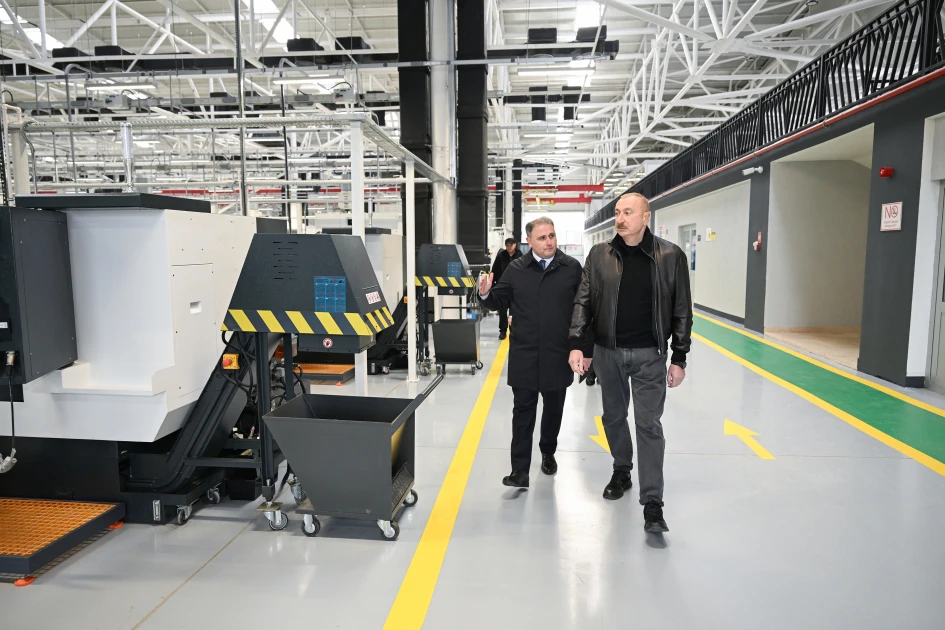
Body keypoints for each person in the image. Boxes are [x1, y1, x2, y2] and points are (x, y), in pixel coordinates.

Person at [569, 192, 692, 534]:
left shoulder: (670, 256)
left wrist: (679, 357)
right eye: (617, 212)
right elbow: (583, 302)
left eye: (628, 212)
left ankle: (653, 502)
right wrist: (578, 344)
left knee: (648, 424)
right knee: (613, 416)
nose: (620, 218)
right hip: (608, 352)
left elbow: (682, 309)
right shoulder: (599, 255)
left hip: (650, 355)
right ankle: (622, 469)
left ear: (646, 217)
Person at [479, 217, 589, 488]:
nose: (549, 242)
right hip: (525, 353)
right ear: (529, 241)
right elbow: (498, 300)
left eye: (552, 236)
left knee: (554, 409)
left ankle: (548, 452)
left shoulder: (571, 268)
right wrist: (485, 294)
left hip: (558, 352)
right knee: (523, 411)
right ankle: (519, 470)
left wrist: (584, 348)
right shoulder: (517, 269)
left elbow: (584, 309)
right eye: (542, 238)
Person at [490, 238, 522, 340]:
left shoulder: (520, 256)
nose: (509, 247)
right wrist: (492, 284)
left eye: (511, 245)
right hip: (503, 286)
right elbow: (494, 270)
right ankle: (503, 331)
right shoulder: (501, 255)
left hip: (515, 287)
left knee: (514, 310)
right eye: (507, 245)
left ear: (515, 245)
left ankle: (513, 331)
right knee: (502, 311)